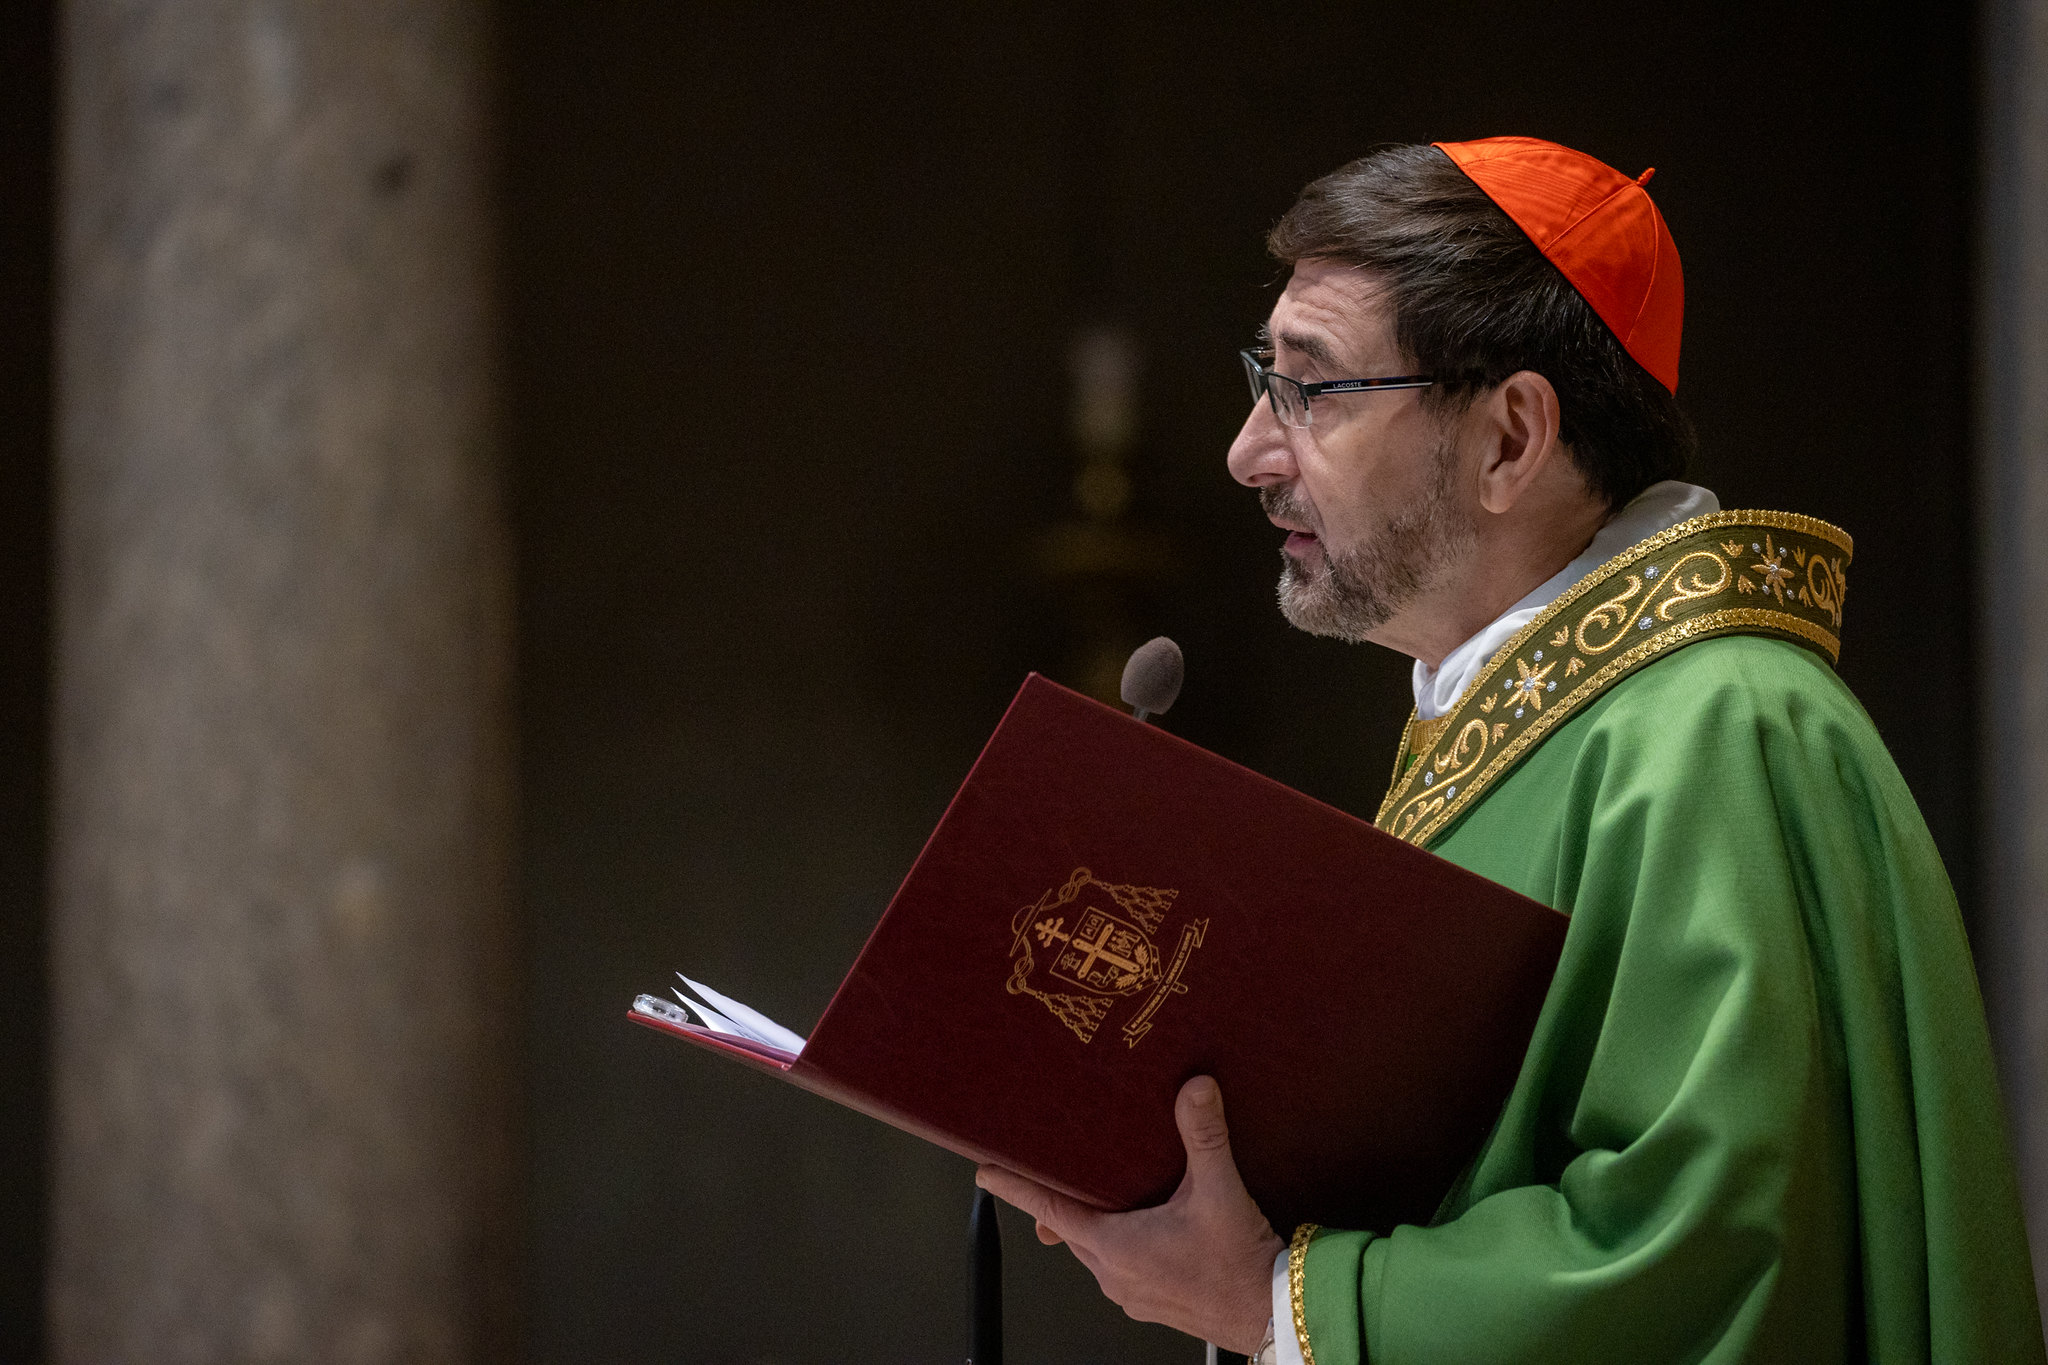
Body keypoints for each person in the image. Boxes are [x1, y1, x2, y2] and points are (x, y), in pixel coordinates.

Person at [976, 137, 2047, 1363]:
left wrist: (1276, 1301)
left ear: (1508, 438)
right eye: (1260, 378)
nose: (1247, 453)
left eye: (1307, 390)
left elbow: (1695, 1260)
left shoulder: (1716, 729)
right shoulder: (1528, 717)